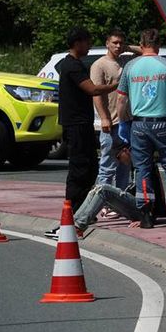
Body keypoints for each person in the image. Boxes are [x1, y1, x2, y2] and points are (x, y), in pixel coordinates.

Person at [45, 28, 118, 239]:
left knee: (90, 168)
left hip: (82, 124)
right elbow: (92, 89)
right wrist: (117, 85)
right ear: (77, 43)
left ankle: (82, 212)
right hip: (75, 126)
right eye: (86, 42)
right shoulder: (71, 65)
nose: (88, 46)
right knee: (79, 171)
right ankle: (70, 215)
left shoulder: (73, 64)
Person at [115, 29, 166, 227]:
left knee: (142, 168)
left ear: (141, 45)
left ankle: (146, 214)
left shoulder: (130, 67)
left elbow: (121, 99)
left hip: (140, 124)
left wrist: (123, 122)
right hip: (164, 123)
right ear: (158, 45)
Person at [73, 144, 155, 231]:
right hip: (138, 207)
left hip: (144, 211)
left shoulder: (142, 167)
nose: (119, 161)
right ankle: (73, 221)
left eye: (119, 157)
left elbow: (155, 199)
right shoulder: (135, 165)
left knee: (103, 190)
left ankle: (79, 225)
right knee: (96, 189)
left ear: (126, 151)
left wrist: (146, 218)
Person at [91, 29, 130, 195]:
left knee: (125, 164)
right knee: (107, 165)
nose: (118, 46)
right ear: (107, 43)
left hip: (125, 123)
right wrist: (104, 118)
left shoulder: (125, 62)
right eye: (115, 42)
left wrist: (129, 47)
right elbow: (96, 93)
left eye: (121, 43)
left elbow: (145, 49)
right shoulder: (99, 65)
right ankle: (102, 201)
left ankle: (120, 200)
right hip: (110, 124)